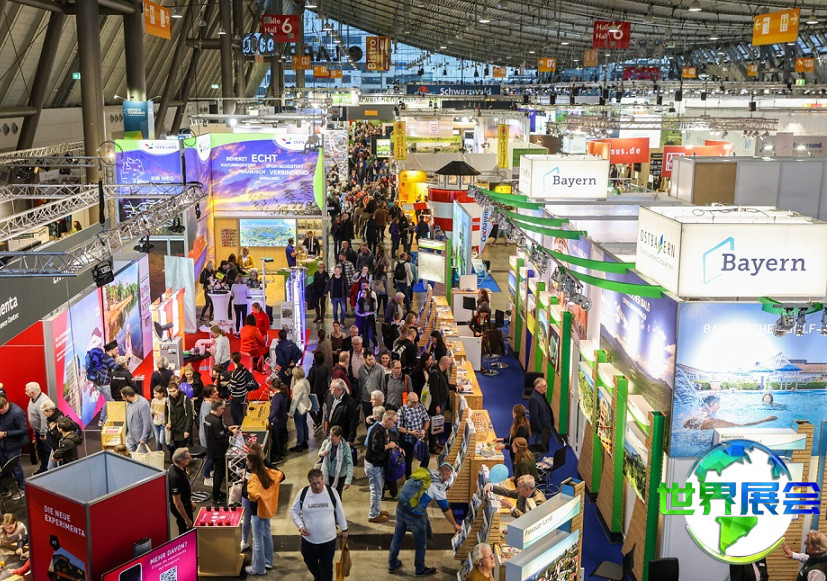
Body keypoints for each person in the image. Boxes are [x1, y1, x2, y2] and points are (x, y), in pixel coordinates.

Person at [388, 463, 461, 576]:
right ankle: (420, 569)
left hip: (401, 507)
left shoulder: (425, 473)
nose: (448, 479)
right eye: (449, 477)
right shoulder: (437, 486)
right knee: (421, 542)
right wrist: (455, 524)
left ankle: (392, 564)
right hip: (415, 515)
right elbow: (445, 509)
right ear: (445, 474)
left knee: (397, 536)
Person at [289, 469, 348, 581]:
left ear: (323, 480)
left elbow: (340, 511)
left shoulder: (331, 492)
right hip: (309, 540)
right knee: (309, 562)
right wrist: (300, 526)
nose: (317, 486)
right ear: (309, 483)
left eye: (319, 482)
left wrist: (344, 529)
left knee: (327, 568)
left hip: (328, 541)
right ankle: (318, 577)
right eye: (313, 483)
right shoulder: (303, 493)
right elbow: (293, 511)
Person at [245, 452, 284, 576]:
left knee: (257, 541)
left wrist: (253, 494)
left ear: (252, 463)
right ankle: (268, 561)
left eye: (247, 461)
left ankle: (258, 568)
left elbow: (253, 495)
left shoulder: (254, 477)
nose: (246, 463)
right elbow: (280, 475)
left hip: (257, 511)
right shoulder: (267, 472)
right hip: (266, 509)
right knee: (267, 535)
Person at [365, 410, 398, 523]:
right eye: (394, 422)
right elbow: (376, 449)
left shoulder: (383, 429)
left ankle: (377, 510)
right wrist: (389, 446)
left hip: (378, 464)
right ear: (387, 420)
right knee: (376, 490)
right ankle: (373, 515)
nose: (394, 425)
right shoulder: (377, 431)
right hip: (374, 465)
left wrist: (395, 446)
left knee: (379, 489)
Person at [204, 398, 238, 505]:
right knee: (219, 474)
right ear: (218, 409)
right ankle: (215, 496)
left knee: (217, 473)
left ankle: (217, 492)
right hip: (218, 451)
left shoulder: (207, 418)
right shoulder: (216, 421)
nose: (224, 410)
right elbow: (222, 438)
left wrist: (227, 429)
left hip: (211, 449)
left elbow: (217, 432)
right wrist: (232, 433)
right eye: (223, 408)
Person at [683, 394, 777, 430]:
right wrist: (765, 420)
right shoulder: (712, 421)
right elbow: (741, 425)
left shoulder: (699, 413)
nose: (719, 406)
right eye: (719, 404)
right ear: (715, 404)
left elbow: (685, 424)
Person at [398, 392, 430, 479]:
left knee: (426, 457)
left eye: (417, 401)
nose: (416, 404)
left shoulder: (420, 407)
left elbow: (427, 420)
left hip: (420, 439)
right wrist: (411, 432)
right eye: (413, 402)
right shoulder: (402, 411)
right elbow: (399, 428)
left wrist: (424, 430)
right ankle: (408, 477)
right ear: (408, 401)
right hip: (408, 441)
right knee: (408, 461)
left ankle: (421, 473)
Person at [25, 382, 53, 475]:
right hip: (38, 430)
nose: (25, 393)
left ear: (33, 392)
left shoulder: (43, 401)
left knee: (47, 451)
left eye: (27, 391)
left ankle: (50, 470)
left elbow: (44, 419)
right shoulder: (33, 399)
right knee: (41, 450)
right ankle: (44, 467)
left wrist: (43, 433)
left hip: (45, 432)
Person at [318, 425, 353, 498]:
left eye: (333, 436)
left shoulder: (345, 447)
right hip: (327, 474)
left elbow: (349, 464)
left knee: (337, 496)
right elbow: (320, 453)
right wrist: (322, 453)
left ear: (339, 437)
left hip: (340, 476)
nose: (330, 437)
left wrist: (348, 480)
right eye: (330, 434)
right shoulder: (326, 443)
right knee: (326, 494)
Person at [168, 447, 196, 535]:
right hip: (181, 510)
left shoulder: (180, 468)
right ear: (181, 460)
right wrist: (186, 519)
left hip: (186, 504)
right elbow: (177, 502)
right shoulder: (175, 478)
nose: (190, 459)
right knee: (186, 532)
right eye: (188, 458)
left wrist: (190, 501)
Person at [427, 356, 452, 452]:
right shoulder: (435, 373)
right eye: (449, 364)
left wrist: (456, 387)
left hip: (442, 403)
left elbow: (446, 385)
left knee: (438, 425)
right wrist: (437, 405)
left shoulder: (441, 372)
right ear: (445, 363)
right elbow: (434, 391)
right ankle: (432, 447)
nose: (449, 366)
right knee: (435, 425)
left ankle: (436, 443)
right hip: (437, 405)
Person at [122, 386, 155, 453]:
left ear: (128, 396)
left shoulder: (143, 404)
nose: (123, 399)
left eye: (123, 397)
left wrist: (143, 438)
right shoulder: (129, 403)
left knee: (141, 458)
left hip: (140, 439)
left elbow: (147, 423)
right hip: (130, 437)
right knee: (128, 456)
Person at [94, 340, 119, 426]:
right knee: (112, 401)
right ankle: (104, 421)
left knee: (108, 400)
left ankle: (101, 420)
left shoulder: (103, 357)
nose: (117, 351)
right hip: (104, 384)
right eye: (116, 349)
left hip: (97, 383)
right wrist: (121, 359)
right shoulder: (109, 359)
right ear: (111, 350)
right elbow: (116, 368)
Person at [327, 378, 358, 446]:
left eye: (332, 388)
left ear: (339, 389)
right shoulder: (330, 396)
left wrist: (351, 439)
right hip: (331, 433)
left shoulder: (349, 403)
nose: (329, 389)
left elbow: (353, 421)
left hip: (342, 435)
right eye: (330, 387)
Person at [166, 379, 194, 451]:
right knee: (174, 449)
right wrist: (166, 423)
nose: (172, 393)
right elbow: (166, 413)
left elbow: (189, 416)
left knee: (182, 450)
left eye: (174, 391)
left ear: (178, 389)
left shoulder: (185, 399)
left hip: (182, 428)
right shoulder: (168, 400)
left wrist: (187, 430)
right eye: (170, 391)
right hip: (173, 429)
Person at [289, 366, 312, 452]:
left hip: (299, 408)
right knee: (304, 424)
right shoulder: (306, 381)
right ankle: (305, 441)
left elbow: (295, 401)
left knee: (299, 427)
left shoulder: (298, 385)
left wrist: (291, 413)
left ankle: (299, 444)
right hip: (306, 406)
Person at [267, 378, 289, 463]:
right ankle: (281, 452)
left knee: (277, 438)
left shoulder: (277, 397)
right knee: (280, 436)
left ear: (273, 387)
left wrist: (268, 418)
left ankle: (279, 455)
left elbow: (275, 409)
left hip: (277, 420)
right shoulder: (284, 393)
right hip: (283, 418)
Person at [199, 385, 217, 485]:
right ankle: (206, 476)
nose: (217, 392)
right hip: (207, 435)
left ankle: (210, 472)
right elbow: (206, 422)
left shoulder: (208, 402)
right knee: (209, 456)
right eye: (214, 392)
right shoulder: (207, 405)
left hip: (208, 434)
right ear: (209, 394)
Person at [528, 377, 553, 448]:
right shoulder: (534, 399)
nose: (546, 387)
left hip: (545, 428)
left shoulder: (541, 395)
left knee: (543, 447)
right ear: (538, 387)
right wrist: (541, 430)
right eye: (544, 386)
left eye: (546, 385)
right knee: (539, 449)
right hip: (540, 431)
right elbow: (534, 418)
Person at [359, 352, 385, 421]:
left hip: (377, 400)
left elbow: (382, 384)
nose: (371, 361)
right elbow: (360, 384)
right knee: (368, 419)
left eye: (372, 359)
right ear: (365, 359)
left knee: (377, 419)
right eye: (369, 359)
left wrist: (382, 399)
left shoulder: (380, 368)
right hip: (366, 399)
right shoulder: (361, 369)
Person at [228, 352, 252, 426]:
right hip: (243, 393)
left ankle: (239, 427)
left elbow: (232, 388)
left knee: (236, 413)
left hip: (237, 396)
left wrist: (227, 384)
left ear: (232, 359)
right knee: (239, 411)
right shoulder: (243, 368)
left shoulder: (235, 373)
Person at [308, 351, 329, 428]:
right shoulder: (325, 367)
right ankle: (319, 421)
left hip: (315, 391)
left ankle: (317, 422)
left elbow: (310, 380)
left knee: (311, 408)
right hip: (324, 390)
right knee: (320, 408)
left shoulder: (313, 369)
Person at [355, 282, 379, 352]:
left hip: (370, 319)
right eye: (362, 292)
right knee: (364, 334)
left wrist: (369, 313)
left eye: (365, 292)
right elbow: (357, 311)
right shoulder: (360, 301)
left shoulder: (372, 300)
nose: (363, 294)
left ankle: (376, 345)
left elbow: (374, 310)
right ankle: (366, 348)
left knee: (371, 334)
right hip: (362, 319)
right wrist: (361, 315)